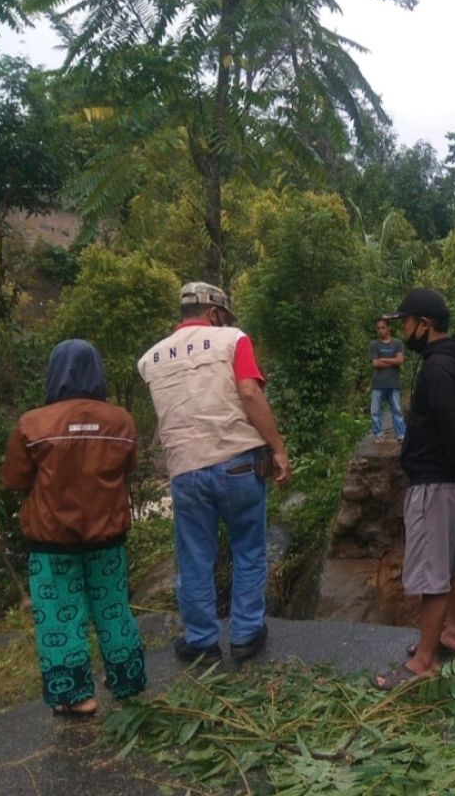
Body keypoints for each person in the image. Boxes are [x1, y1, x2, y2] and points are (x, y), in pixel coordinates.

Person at [138, 282, 291, 664]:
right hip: (238, 465)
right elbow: (250, 394)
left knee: (194, 557)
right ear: (214, 313)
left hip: (186, 471)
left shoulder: (151, 359)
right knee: (249, 549)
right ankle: (245, 634)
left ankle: (202, 640)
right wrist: (278, 449)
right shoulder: (232, 340)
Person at [2, 340, 146, 716]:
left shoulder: (33, 424)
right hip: (108, 536)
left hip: (52, 542)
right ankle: (127, 682)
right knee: (113, 609)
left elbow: (15, 479)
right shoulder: (121, 421)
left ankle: (76, 696)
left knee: (59, 615)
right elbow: (127, 469)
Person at [376, 287, 455, 690]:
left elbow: (451, 428)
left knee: (433, 574)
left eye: (405, 322)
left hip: (436, 485)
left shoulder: (437, 369)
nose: (402, 328)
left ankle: (424, 660)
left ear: (424, 325)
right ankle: (454, 634)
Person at [370, 317, 406, 444]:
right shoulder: (374, 345)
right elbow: (375, 363)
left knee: (396, 410)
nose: (381, 330)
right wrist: (392, 361)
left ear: (388, 328)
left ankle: (401, 435)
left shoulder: (397, 343)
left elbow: (400, 361)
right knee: (375, 411)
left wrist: (383, 360)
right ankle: (378, 435)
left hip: (393, 383)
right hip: (377, 383)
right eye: (378, 328)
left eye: (383, 327)